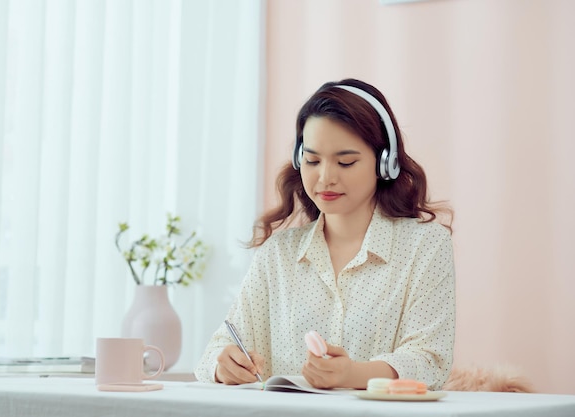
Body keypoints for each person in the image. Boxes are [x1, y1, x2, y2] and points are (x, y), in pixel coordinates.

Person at [194, 78, 455, 390]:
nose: (325, 177)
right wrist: (224, 366)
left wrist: (352, 375)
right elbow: (213, 354)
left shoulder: (425, 246)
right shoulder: (278, 254)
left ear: (385, 163)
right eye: (313, 160)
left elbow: (430, 361)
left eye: (345, 162)